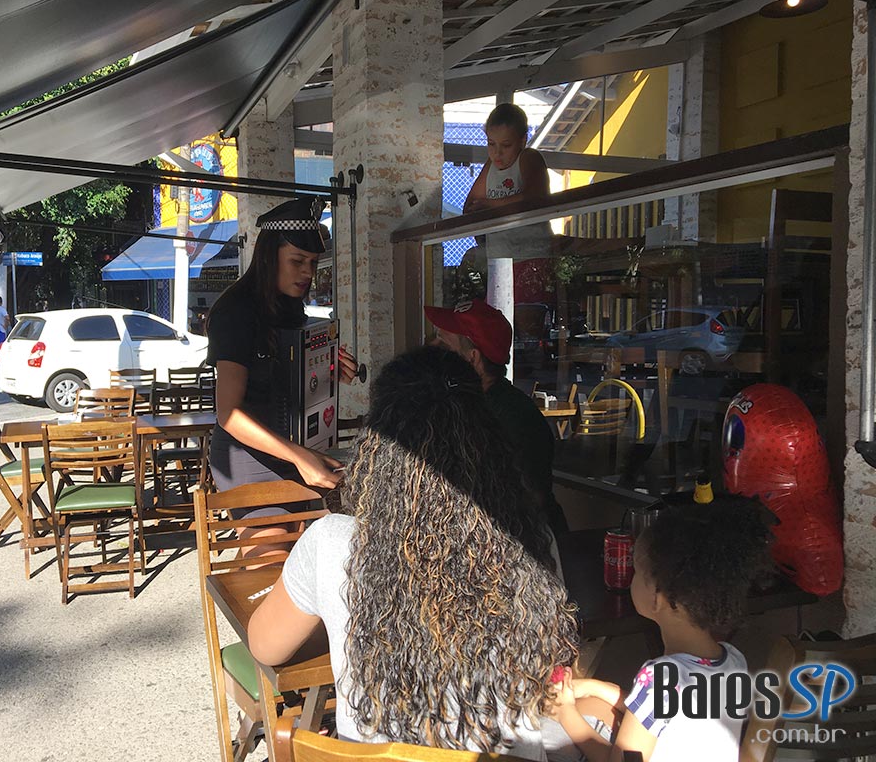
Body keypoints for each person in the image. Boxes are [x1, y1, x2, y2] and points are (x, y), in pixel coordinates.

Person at [248, 346, 580, 758]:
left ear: (377, 444)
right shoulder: (530, 538)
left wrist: (333, 607)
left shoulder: (331, 542)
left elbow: (265, 646)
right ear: (489, 441)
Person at [552, 498, 774, 762]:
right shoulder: (734, 660)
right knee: (593, 704)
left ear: (658, 597)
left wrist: (564, 712)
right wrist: (596, 687)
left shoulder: (661, 678)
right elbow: (663, 716)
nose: (632, 578)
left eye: (637, 571)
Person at [206, 196, 358, 501]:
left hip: (293, 448)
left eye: (313, 262)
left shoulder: (289, 308)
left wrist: (329, 370)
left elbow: (289, 383)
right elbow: (229, 414)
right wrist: (299, 455)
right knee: (279, 534)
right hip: (246, 456)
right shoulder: (235, 311)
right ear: (268, 257)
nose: (308, 273)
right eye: (297, 261)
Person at [425, 298, 566, 540]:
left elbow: (524, 499)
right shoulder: (468, 405)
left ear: (472, 359)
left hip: (528, 547)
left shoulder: (513, 416)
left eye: (443, 347)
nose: (432, 350)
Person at [463, 103, 550, 215]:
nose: (497, 153)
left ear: (522, 141)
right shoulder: (491, 164)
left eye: (506, 145)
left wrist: (491, 205)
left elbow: (535, 197)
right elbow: (471, 205)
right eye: (491, 144)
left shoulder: (528, 157)